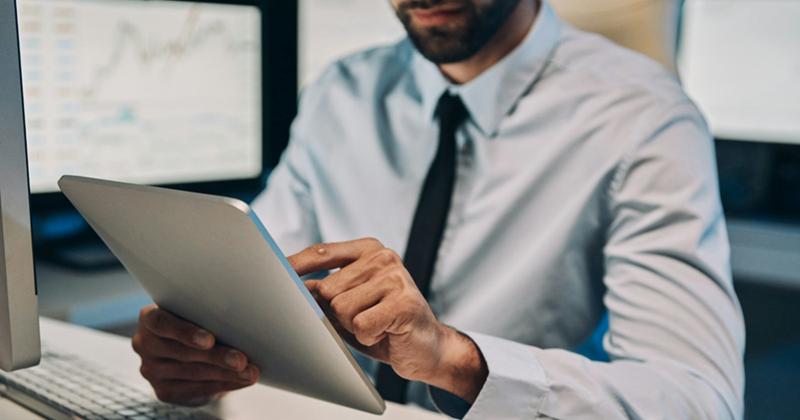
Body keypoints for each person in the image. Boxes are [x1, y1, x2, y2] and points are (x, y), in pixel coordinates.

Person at [131, 0, 746, 418]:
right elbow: (258, 281)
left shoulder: (646, 117)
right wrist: (197, 345)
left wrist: (454, 359)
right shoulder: (341, 93)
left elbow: (700, 399)